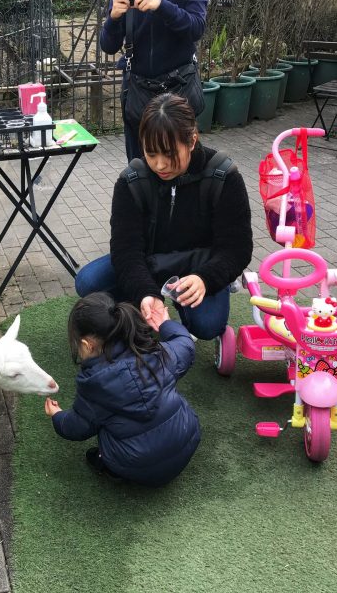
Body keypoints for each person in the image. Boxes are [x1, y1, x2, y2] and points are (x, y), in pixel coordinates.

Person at [74, 93, 253, 342]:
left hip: (198, 266)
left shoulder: (223, 176)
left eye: (169, 154)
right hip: (148, 263)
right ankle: (141, 307)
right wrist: (145, 292)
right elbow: (126, 251)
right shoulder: (132, 181)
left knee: (208, 326)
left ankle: (192, 301)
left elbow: (237, 248)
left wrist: (206, 279)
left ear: (192, 140)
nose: (160, 165)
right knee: (88, 282)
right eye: (151, 153)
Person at [44, 292, 200, 487]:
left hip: (137, 465)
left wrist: (57, 416)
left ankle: (106, 464)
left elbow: (77, 428)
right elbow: (186, 344)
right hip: (187, 438)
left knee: (102, 428)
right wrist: (166, 325)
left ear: (87, 345)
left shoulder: (95, 385)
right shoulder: (158, 352)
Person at [100, 0, 207, 160]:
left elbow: (197, 28)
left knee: (180, 164)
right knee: (138, 170)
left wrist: (161, 6)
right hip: (138, 91)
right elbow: (108, 45)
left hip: (178, 90)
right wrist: (113, 18)